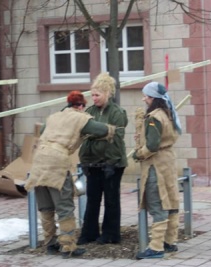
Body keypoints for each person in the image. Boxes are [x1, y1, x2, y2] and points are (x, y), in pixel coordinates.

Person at [24, 90, 116, 259]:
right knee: (64, 205)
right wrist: (112, 130)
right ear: (81, 106)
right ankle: (68, 246)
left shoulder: (53, 117)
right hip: (57, 161)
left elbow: (43, 130)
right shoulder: (80, 117)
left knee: (46, 206)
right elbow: (100, 129)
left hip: (39, 160)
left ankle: (50, 244)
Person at [77, 73, 128, 245]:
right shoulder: (89, 112)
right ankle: (89, 232)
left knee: (111, 200)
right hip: (93, 163)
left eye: (97, 95)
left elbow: (116, 137)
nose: (94, 98)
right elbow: (83, 136)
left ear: (107, 93)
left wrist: (111, 162)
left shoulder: (117, 112)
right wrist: (84, 160)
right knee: (92, 199)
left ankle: (111, 234)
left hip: (113, 163)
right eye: (92, 95)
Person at [133, 81, 182, 259]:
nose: (144, 98)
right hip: (168, 162)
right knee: (171, 201)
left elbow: (152, 145)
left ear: (153, 98)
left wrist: (139, 154)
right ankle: (170, 242)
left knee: (158, 203)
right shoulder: (168, 113)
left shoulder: (154, 117)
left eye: (146, 95)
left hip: (156, 165)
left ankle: (156, 247)